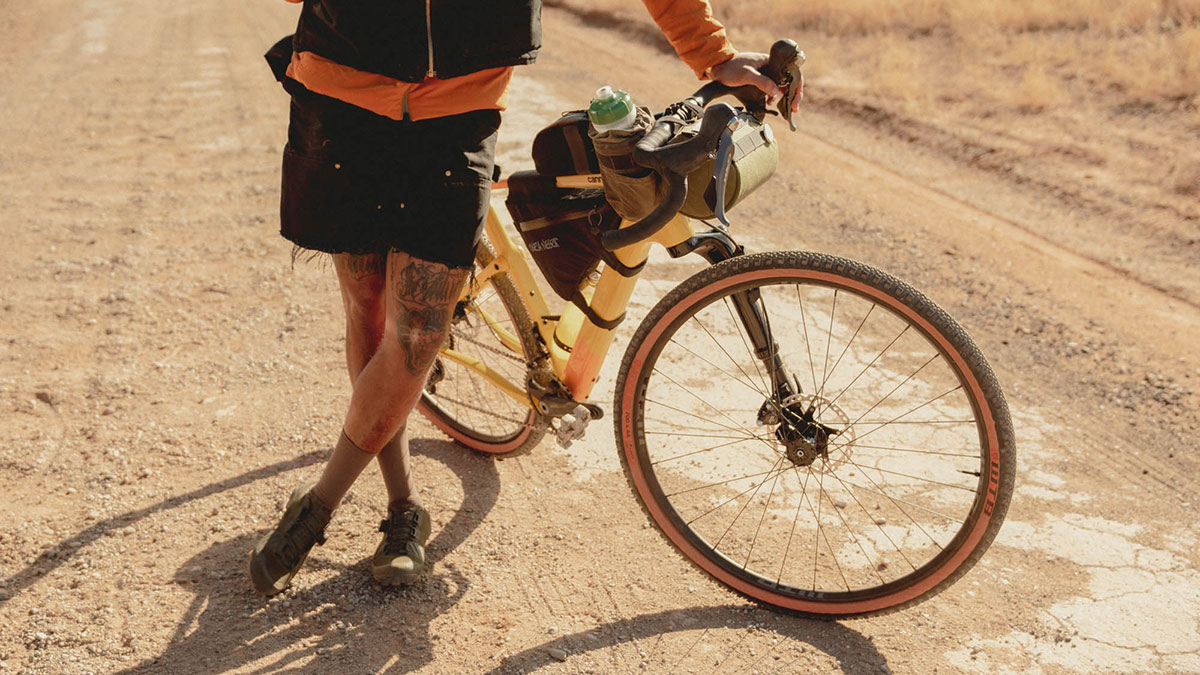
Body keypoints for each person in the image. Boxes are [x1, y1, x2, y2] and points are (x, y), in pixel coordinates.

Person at [249, 0, 803, 595]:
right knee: (368, 302)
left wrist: (712, 54)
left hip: (458, 108)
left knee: (417, 335)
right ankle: (404, 505)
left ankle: (318, 505)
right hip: (339, 95)